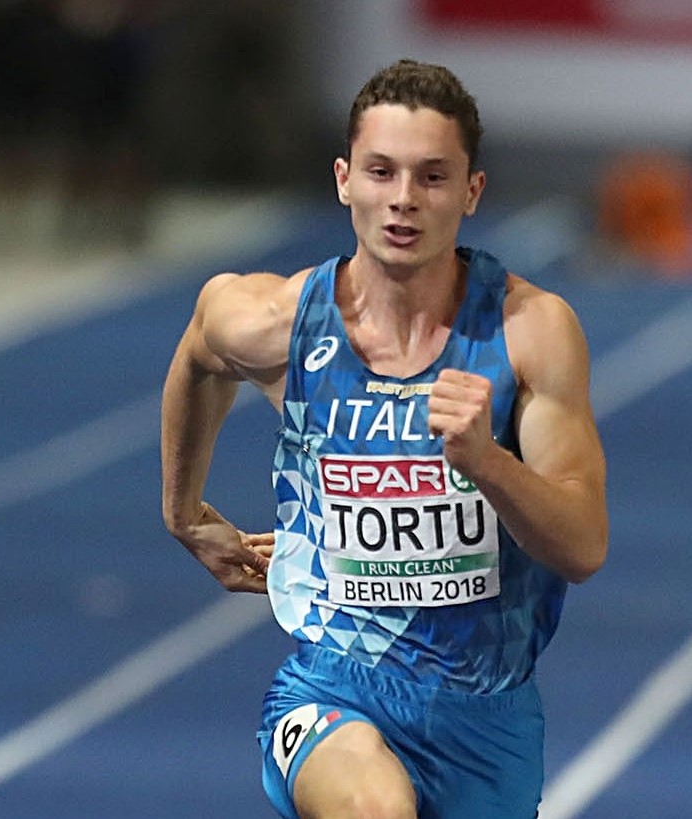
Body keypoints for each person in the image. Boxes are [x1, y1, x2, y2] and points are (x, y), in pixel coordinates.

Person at [161, 58, 608, 819]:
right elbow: (202, 348)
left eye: (432, 176)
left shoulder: (528, 334)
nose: (403, 198)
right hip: (334, 688)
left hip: (485, 717)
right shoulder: (280, 322)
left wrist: (487, 462)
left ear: (471, 192)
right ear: (344, 181)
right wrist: (183, 513)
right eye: (381, 171)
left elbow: (583, 546)